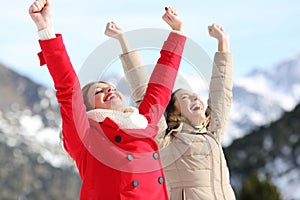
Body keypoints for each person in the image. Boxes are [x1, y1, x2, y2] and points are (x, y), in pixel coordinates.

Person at [28, 0, 186, 199]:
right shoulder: (86, 137)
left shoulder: (142, 122)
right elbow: (68, 89)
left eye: (109, 87)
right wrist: (45, 28)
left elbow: (161, 85)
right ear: (85, 110)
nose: (108, 90)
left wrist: (177, 32)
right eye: (98, 92)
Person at [157, 24, 236, 199]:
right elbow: (148, 97)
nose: (195, 98)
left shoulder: (212, 132)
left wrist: (223, 43)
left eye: (195, 96)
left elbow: (221, 93)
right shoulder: (168, 141)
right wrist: (176, 33)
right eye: (185, 97)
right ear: (173, 113)